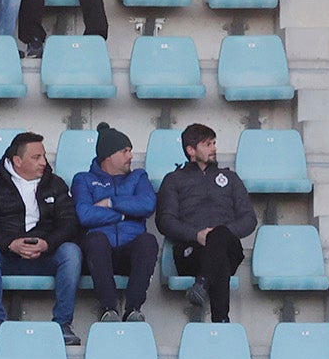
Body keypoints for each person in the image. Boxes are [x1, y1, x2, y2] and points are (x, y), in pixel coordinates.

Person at [0, 132, 83, 346]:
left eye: (43, 156)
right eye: (36, 157)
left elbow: (70, 223)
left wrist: (47, 243)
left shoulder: (55, 184)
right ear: (17, 161)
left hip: (45, 255)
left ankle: (62, 324)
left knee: (71, 252)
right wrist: (9, 243)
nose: (43, 162)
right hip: (7, 255)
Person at [155, 124, 257, 323]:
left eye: (214, 143)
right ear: (191, 150)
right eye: (207, 144)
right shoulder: (173, 180)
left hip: (229, 245)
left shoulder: (230, 178)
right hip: (191, 251)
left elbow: (249, 219)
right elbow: (165, 221)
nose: (214, 149)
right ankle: (221, 321)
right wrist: (197, 235)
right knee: (220, 259)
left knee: (219, 238)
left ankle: (202, 283)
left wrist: (221, 234)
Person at [73, 123, 158, 323]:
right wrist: (123, 215)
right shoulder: (84, 179)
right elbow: (84, 214)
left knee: (148, 241)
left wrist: (111, 203)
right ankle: (108, 309)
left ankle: (133, 309)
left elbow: (147, 204)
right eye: (125, 151)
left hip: (130, 253)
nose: (131, 156)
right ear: (108, 156)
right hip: (99, 254)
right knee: (95, 239)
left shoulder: (139, 176)